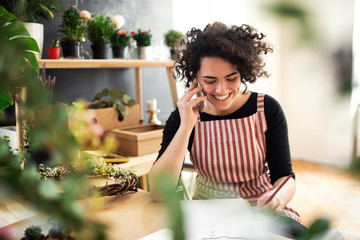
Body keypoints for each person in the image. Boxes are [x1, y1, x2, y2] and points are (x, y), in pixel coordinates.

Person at [148, 22, 307, 237]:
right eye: (210, 80)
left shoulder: (267, 108)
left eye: (231, 79)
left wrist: (276, 197)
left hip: (261, 212)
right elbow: (158, 191)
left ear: (243, 73)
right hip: (206, 216)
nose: (221, 90)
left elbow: (285, 176)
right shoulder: (183, 116)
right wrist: (186, 126)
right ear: (195, 78)